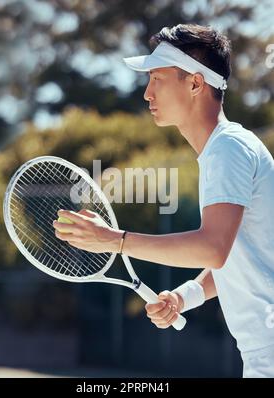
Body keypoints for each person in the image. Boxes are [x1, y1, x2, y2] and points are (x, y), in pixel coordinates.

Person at [53, 24, 274, 378]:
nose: (147, 93)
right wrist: (184, 297)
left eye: (157, 78)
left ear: (195, 83)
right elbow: (238, 257)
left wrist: (115, 240)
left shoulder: (229, 149)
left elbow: (213, 249)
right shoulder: (226, 149)